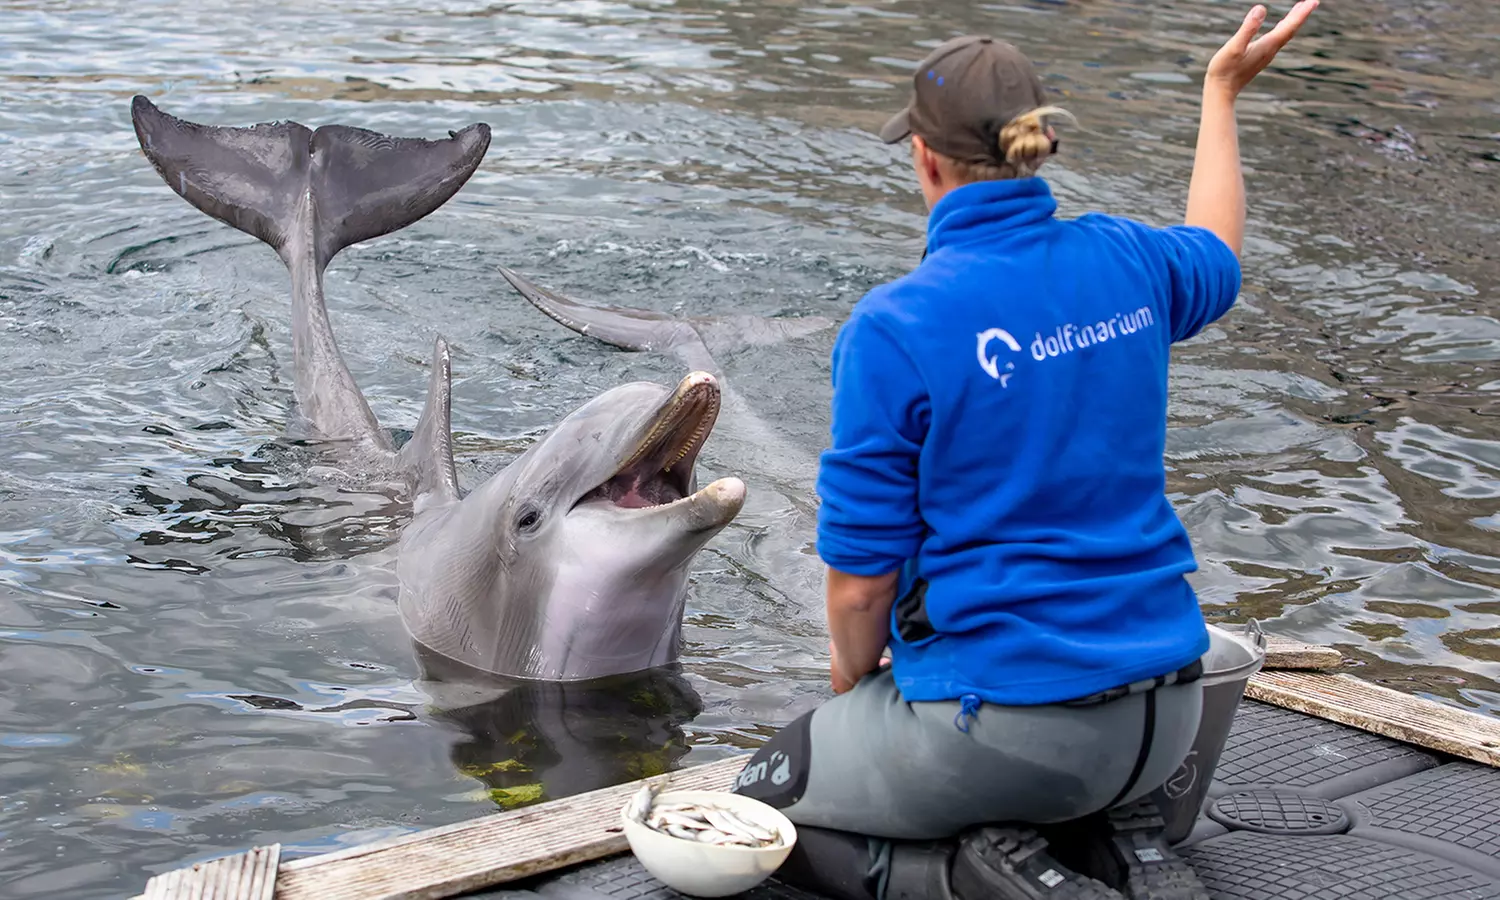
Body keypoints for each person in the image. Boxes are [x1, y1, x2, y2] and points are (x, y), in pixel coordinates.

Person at [731, 3, 1319, 899]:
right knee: (1002, 755)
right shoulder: (1128, 258)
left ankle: (982, 880)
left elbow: (858, 584)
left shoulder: (899, 324)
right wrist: (1220, 95)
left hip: (1011, 728)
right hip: (1171, 716)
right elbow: (1219, 252)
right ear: (1039, 146)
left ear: (924, 158)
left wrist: (857, 684)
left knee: (758, 816)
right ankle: (1123, 841)